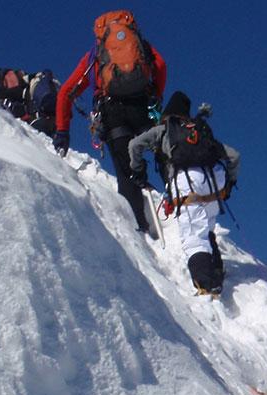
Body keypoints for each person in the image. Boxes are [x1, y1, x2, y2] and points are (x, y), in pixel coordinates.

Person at [52, 10, 167, 234]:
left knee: (126, 172)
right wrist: (156, 96)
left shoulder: (95, 55)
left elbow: (65, 92)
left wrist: (63, 130)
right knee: (161, 153)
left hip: (112, 112)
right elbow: (160, 65)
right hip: (142, 107)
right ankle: (179, 202)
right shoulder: (141, 45)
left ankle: (139, 228)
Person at [128, 91, 240, 296]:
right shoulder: (199, 131)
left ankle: (206, 284)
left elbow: (134, 145)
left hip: (187, 183)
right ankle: (216, 269)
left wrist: (137, 171)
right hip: (214, 183)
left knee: (192, 235)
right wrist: (230, 183)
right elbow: (233, 156)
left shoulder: (164, 130)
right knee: (207, 228)